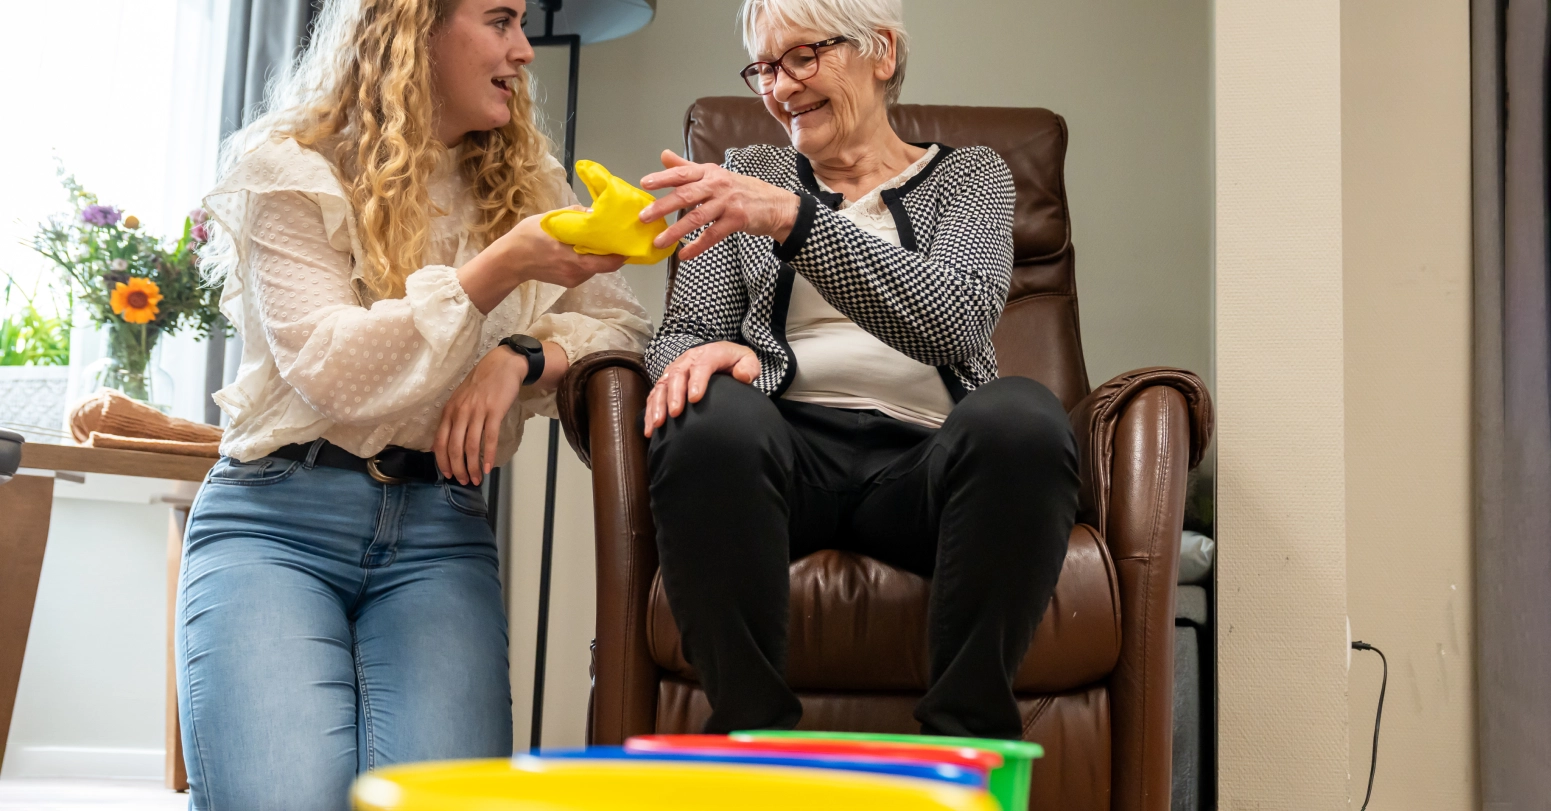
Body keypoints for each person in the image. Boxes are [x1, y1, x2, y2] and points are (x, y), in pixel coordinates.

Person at [178, 0, 650, 807]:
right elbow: (332, 369)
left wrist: (521, 354)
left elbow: (625, 329)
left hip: (441, 532)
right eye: (499, 20)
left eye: (522, 22)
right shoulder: (291, 169)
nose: (524, 50)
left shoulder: (524, 182)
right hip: (276, 525)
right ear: (414, 28)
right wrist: (493, 271)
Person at [637, 0, 1078, 739]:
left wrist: (793, 220)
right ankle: (752, 734)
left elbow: (955, 319)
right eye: (764, 68)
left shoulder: (971, 176)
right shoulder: (747, 173)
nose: (780, 87)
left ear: (882, 52)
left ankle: (963, 740)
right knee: (703, 413)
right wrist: (704, 355)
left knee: (1025, 417)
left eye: (802, 56)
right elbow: (681, 334)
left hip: (929, 470)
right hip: (781, 459)